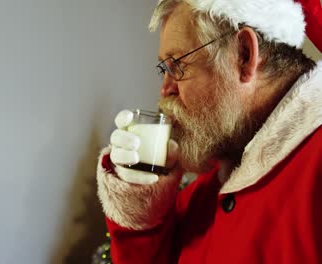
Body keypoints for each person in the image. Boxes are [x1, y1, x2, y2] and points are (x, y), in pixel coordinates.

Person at [96, 0, 322, 263]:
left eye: (176, 66)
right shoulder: (207, 189)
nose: (165, 88)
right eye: (164, 71)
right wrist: (143, 214)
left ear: (244, 54)